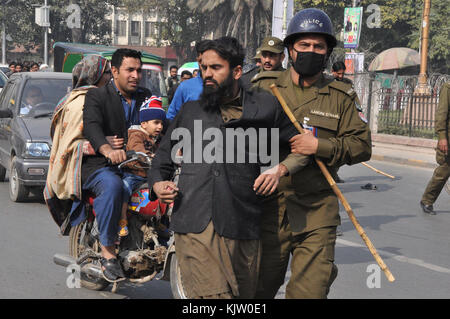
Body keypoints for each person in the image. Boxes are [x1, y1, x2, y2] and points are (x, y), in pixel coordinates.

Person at [149, 37, 304, 299]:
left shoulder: (265, 107)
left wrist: (279, 170)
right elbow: (163, 158)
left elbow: (299, 145)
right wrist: (157, 183)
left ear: (237, 71)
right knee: (212, 298)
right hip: (195, 221)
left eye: (215, 68)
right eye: (203, 68)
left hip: (242, 223)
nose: (207, 74)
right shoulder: (190, 111)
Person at [255, 8, 372, 299]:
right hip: (267, 210)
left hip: (316, 213)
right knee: (255, 291)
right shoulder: (263, 89)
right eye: (304, 45)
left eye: (318, 46)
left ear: (327, 51)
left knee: (310, 293)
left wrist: (319, 146)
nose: (311, 51)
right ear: (290, 50)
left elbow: (362, 146)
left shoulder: (341, 96)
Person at [80, 48, 152, 282]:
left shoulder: (146, 97)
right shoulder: (97, 96)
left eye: (139, 70)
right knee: (113, 186)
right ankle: (108, 254)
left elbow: (162, 123)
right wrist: (107, 149)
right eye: (130, 70)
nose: (135, 75)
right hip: (102, 166)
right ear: (114, 71)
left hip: (140, 166)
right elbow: (91, 127)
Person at [44, 55, 112, 236]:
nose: (110, 76)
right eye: (107, 72)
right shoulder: (82, 102)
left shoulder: (80, 97)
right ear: (94, 75)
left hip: (100, 160)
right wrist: (105, 144)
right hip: (84, 165)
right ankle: (108, 248)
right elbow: (71, 143)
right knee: (114, 187)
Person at [118, 95, 166, 237]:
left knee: (162, 192)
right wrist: (147, 155)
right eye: (156, 122)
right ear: (144, 123)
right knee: (124, 190)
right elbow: (137, 149)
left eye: (161, 123)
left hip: (147, 176)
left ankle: (158, 221)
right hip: (133, 174)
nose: (160, 126)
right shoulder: (136, 135)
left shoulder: (155, 139)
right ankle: (122, 221)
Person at [420, 82, 450, 215]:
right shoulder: (448, 87)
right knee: (444, 171)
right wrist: (442, 136)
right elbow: (441, 113)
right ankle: (427, 199)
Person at [165, 40, 211, 121]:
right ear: (198, 60)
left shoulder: (224, 86)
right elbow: (171, 117)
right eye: (201, 60)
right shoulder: (184, 87)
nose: (204, 63)